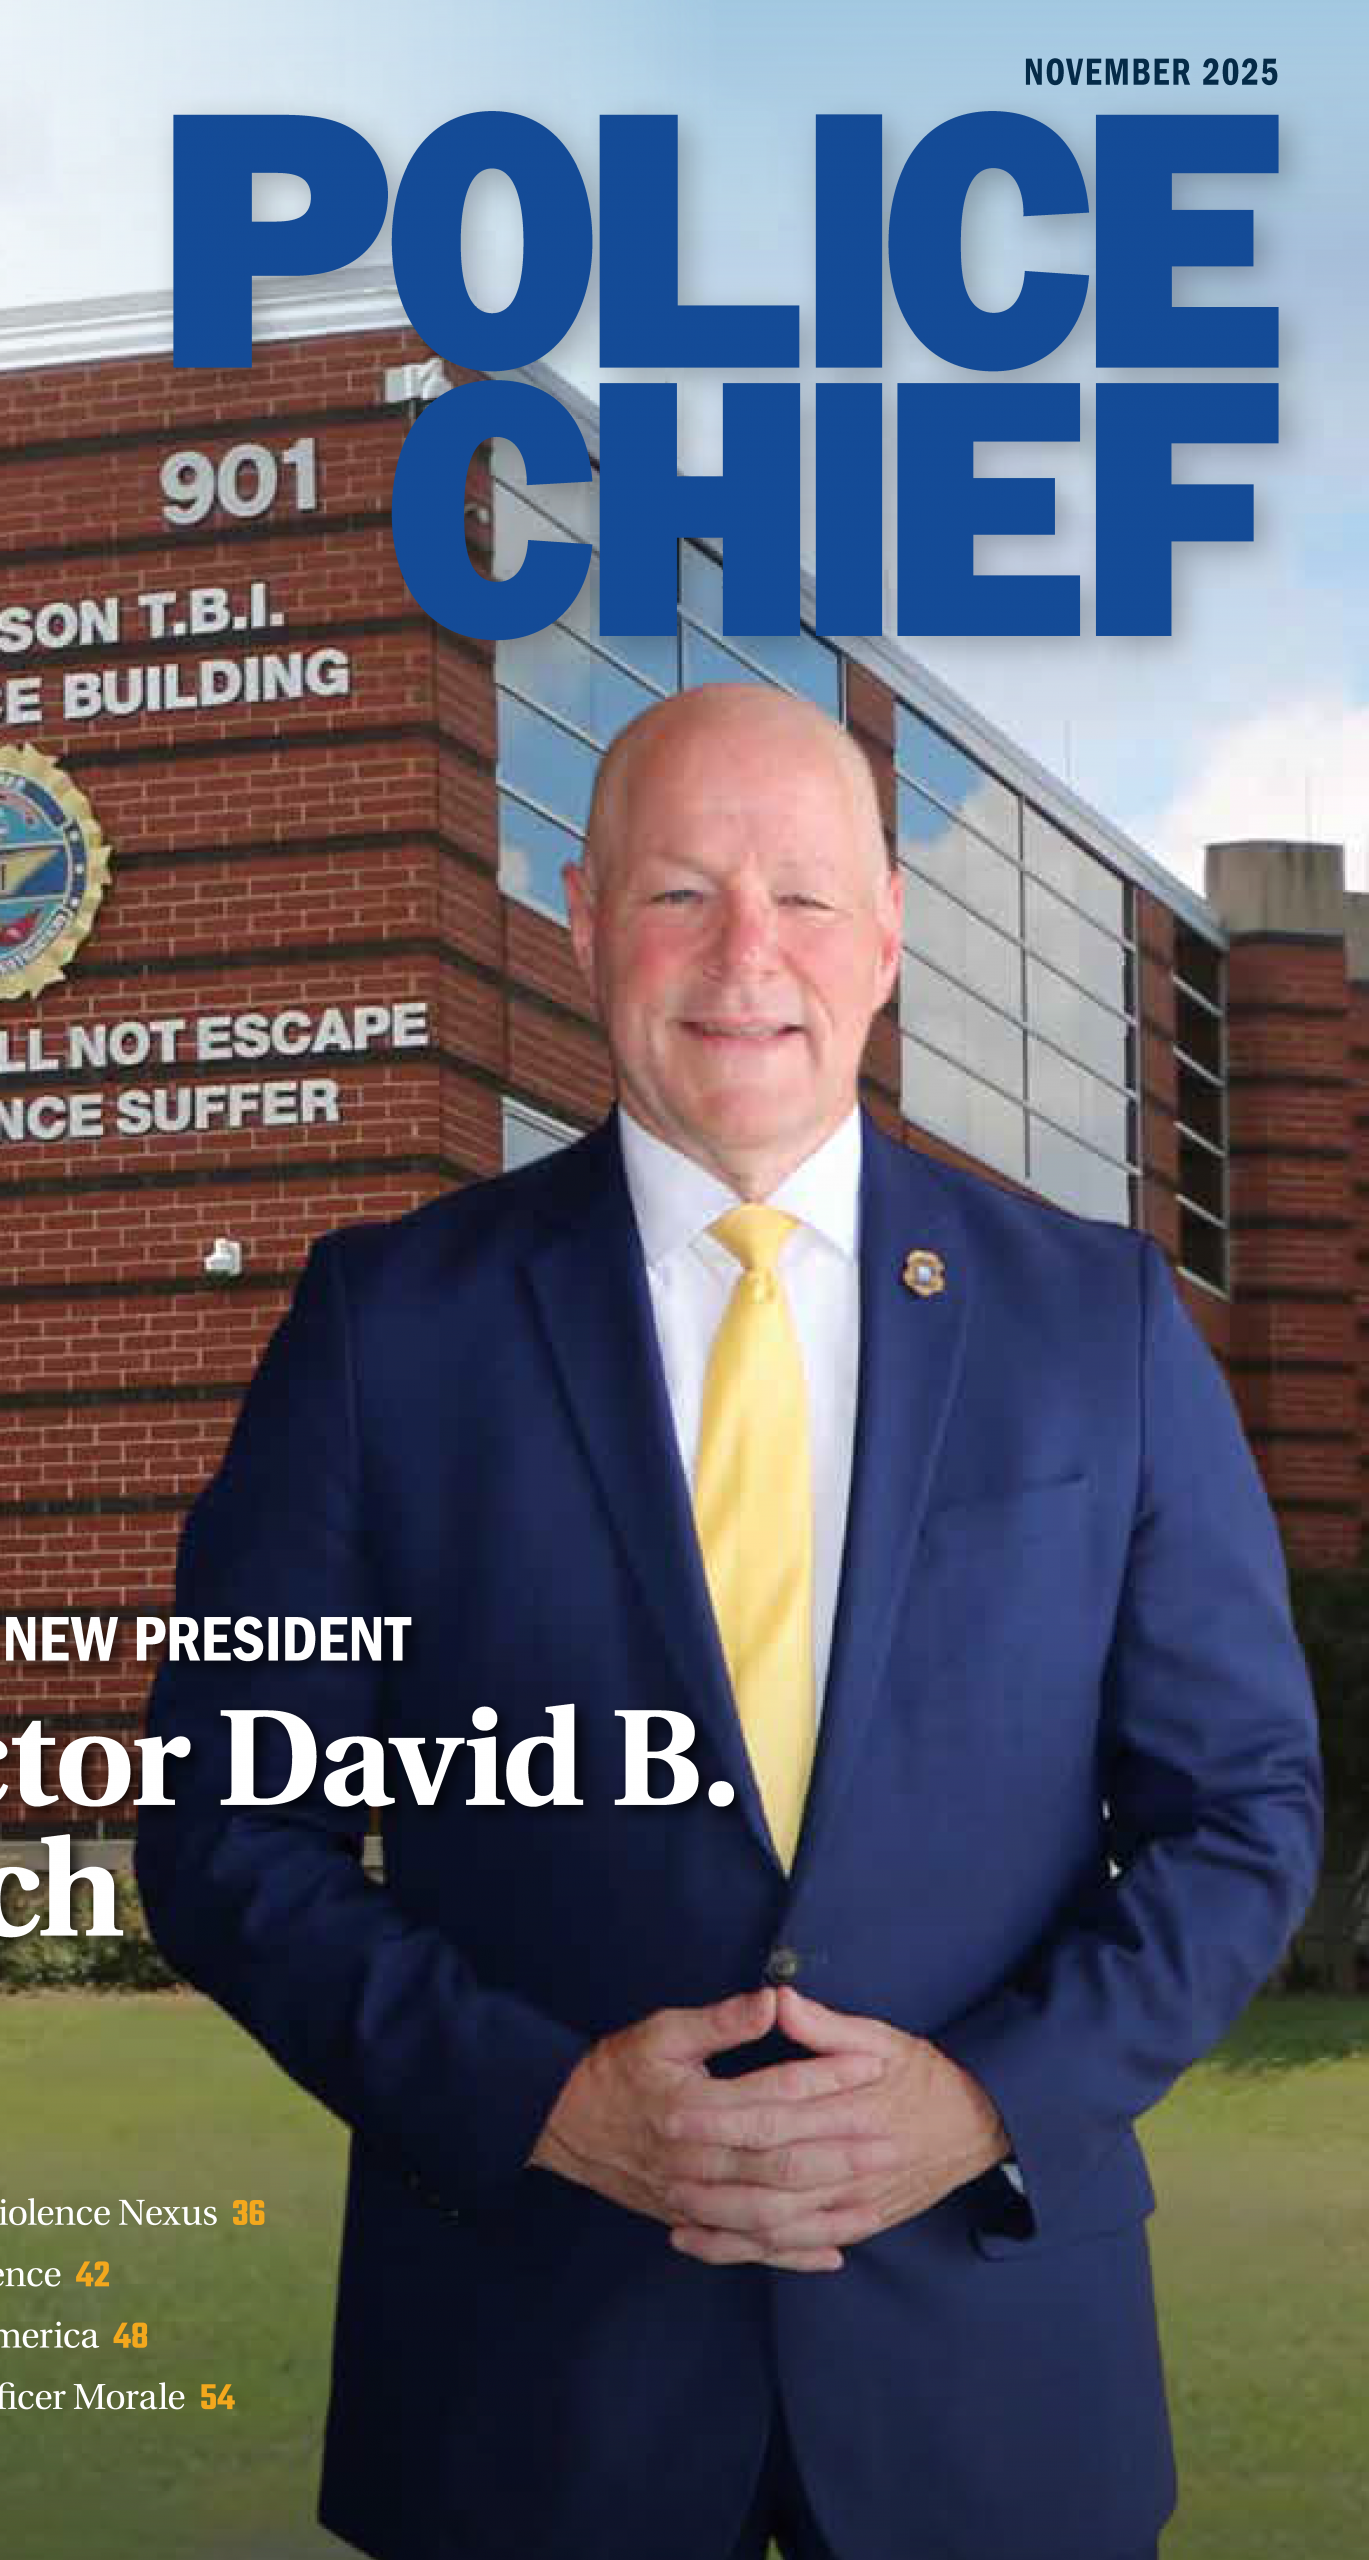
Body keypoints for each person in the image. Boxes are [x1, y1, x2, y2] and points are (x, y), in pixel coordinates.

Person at [135, 683, 1322, 2560]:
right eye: (681, 891)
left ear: (888, 941)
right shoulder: (387, 1329)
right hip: (530, 2378)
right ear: (582, 919)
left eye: (803, 896)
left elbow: (1240, 1808)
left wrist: (985, 2101)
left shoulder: (1098, 1323)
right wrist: (539, 2099)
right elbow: (224, 1830)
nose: (745, 954)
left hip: (993, 2365)